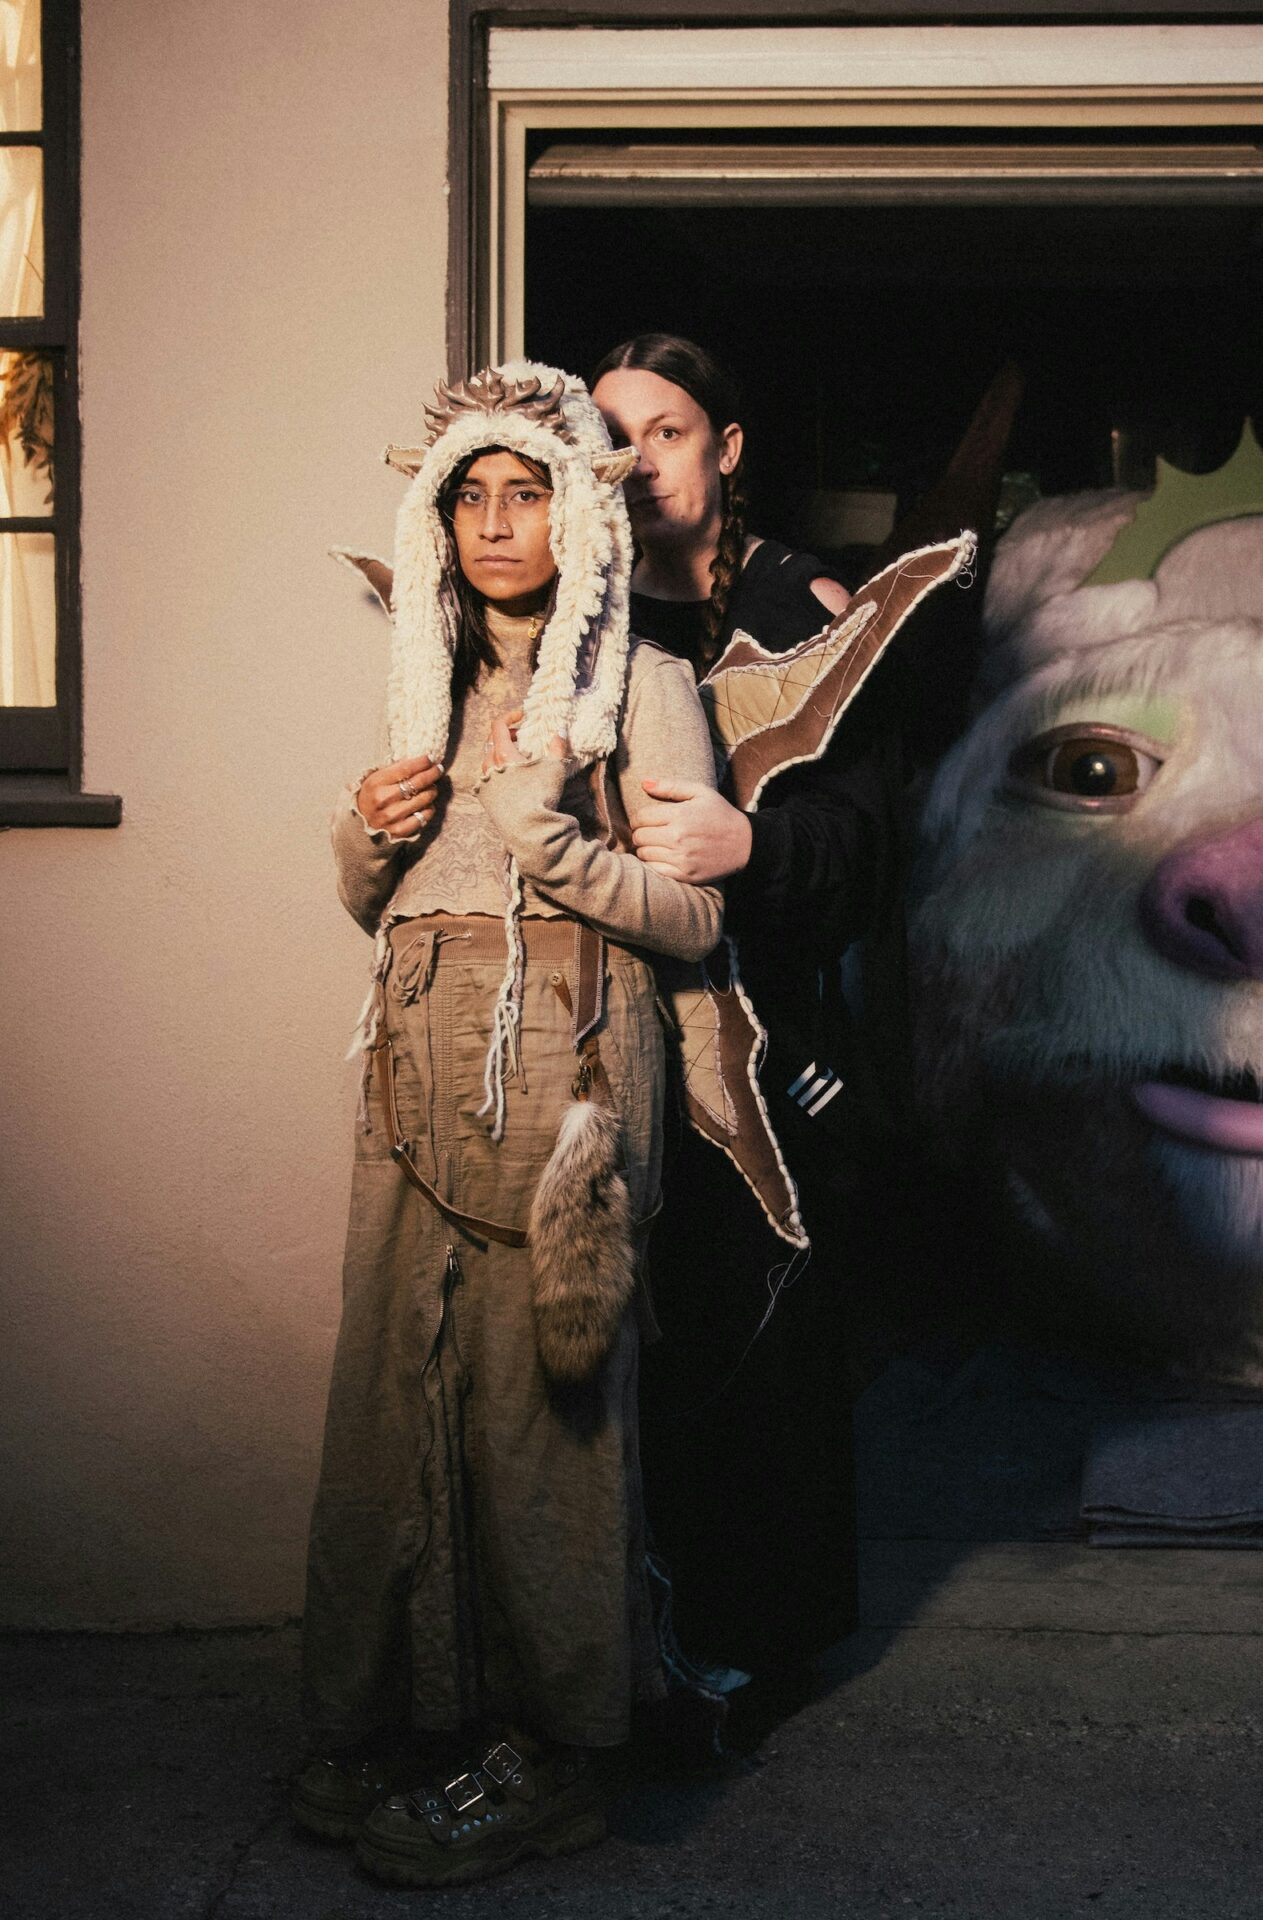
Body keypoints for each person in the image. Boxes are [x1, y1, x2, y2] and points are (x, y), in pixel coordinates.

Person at [295, 362, 724, 1886]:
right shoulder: (428, 676)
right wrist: (368, 836)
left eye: (523, 493)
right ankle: (407, 1713)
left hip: (572, 1097)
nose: (492, 523)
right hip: (408, 1078)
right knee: (392, 1398)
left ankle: (561, 1749)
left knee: (548, 1418)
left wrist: (557, 845)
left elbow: (690, 917)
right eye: (467, 496)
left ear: (578, 518)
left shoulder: (643, 682)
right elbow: (375, 904)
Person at [590, 333, 902, 1682]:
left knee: (756, 1337)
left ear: (726, 447)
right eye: (615, 432)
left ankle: (759, 1660)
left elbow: (875, 850)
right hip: (609, 1029)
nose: (640, 458)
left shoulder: (799, 602)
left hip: (764, 1040)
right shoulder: (580, 613)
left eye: (668, 429)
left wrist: (753, 849)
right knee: (627, 1339)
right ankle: (635, 1643)